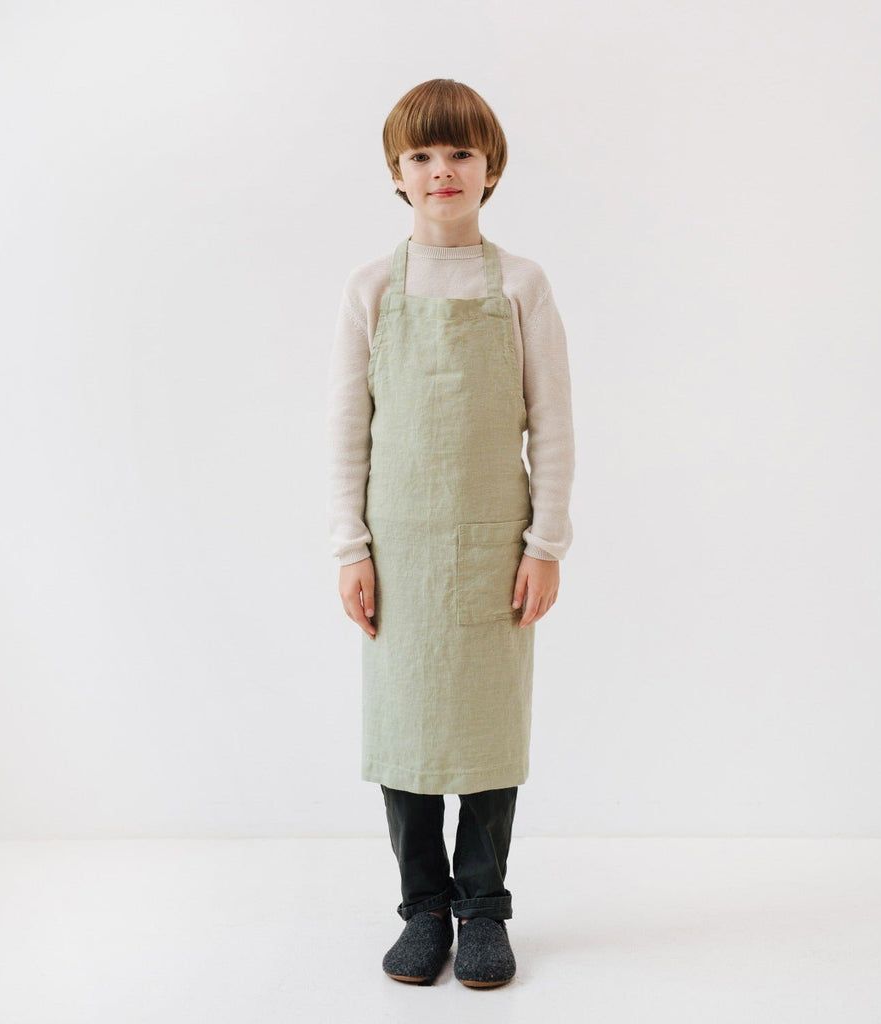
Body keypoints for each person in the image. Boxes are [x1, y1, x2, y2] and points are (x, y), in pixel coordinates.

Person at [326, 78, 575, 988]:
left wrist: (546, 543)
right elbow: (347, 427)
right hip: (397, 547)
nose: (443, 171)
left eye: (460, 153)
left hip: (493, 546)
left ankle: (484, 908)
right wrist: (350, 545)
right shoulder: (367, 289)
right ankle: (422, 905)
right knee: (407, 729)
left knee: (486, 732)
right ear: (397, 173)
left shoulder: (520, 284)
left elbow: (550, 420)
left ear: (490, 167)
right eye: (422, 156)